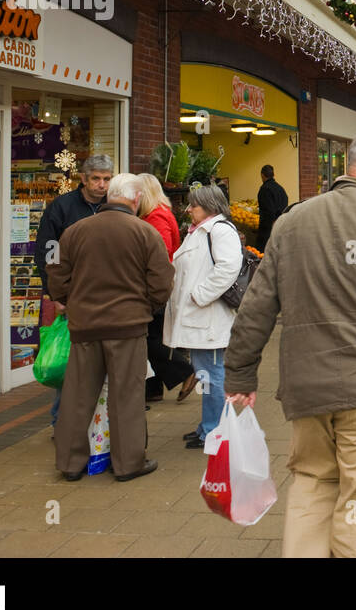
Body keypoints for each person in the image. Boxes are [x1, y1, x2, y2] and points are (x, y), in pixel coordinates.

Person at [224, 129, 356, 558]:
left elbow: (256, 307)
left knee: (312, 484)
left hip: (306, 390)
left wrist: (240, 373)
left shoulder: (290, 223)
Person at [47, 173, 173, 482]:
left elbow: (56, 277)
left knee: (78, 396)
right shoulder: (145, 233)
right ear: (136, 199)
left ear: (109, 196)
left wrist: (70, 302)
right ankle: (128, 463)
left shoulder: (74, 232)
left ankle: (70, 463)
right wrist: (146, 307)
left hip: (85, 327)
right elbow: (162, 282)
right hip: (128, 327)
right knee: (126, 397)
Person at [34, 154, 113, 427]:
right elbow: (47, 252)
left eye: (106, 179)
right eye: (96, 179)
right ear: (83, 178)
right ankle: (61, 421)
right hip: (70, 297)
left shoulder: (113, 207)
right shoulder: (62, 207)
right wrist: (56, 295)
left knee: (99, 364)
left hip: (105, 298)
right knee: (70, 360)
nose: (101, 185)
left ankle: (96, 423)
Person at [165, 184, 243, 449]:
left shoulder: (220, 231)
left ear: (209, 206)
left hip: (209, 318)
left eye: (193, 205)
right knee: (207, 375)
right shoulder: (200, 231)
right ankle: (208, 426)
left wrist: (199, 295)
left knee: (212, 375)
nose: (188, 210)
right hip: (200, 317)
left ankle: (215, 430)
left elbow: (228, 268)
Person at [138, 173, 197, 404]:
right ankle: (153, 389)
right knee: (153, 335)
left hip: (155, 285)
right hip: (160, 283)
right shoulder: (160, 213)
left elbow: (159, 254)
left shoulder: (155, 218)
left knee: (149, 338)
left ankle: (185, 370)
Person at [255, 164, 290, 252]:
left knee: (263, 252)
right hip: (281, 225)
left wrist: (272, 222)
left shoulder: (264, 189)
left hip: (268, 229)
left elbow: (268, 210)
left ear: (262, 175)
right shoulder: (280, 188)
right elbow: (286, 203)